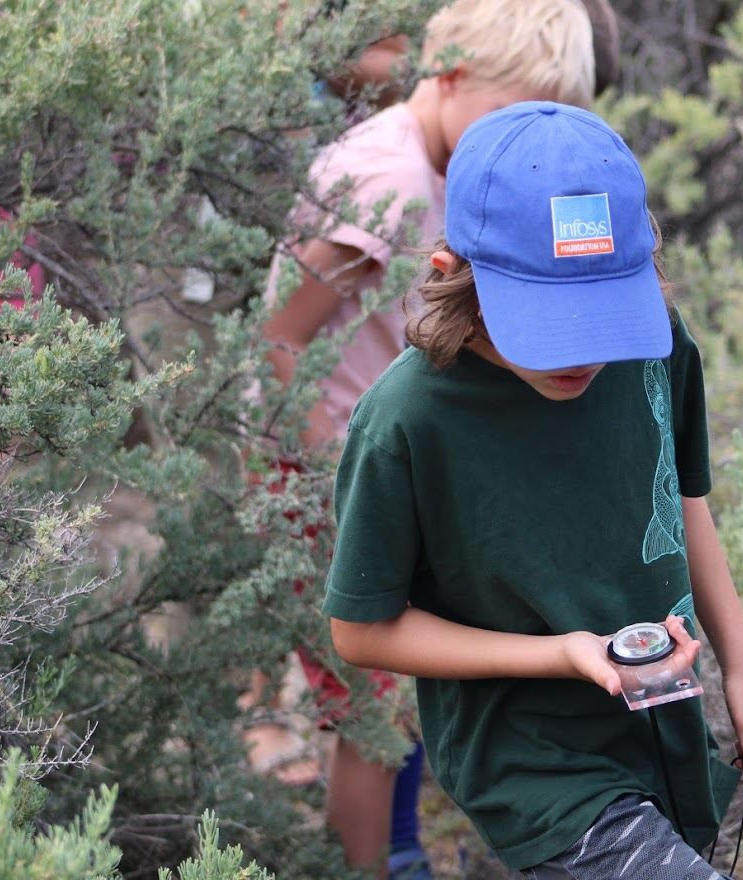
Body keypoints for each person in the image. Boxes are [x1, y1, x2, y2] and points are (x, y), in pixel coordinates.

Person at [322, 101, 743, 879]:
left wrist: (742, 666)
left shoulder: (652, 345)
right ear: (455, 277)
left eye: (601, 314)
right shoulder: (405, 422)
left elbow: (681, 502)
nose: (582, 353)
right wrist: (561, 654)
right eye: (548, 322)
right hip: (531, 761)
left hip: (665, 736)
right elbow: (361, 631)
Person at [254, 3, 598, 878]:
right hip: (321, 471)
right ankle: (368, 865)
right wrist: (327, 482)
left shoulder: (455, 165)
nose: (516, 149)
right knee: (371, 709)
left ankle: (402, 849)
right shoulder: (394, 180)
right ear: (445, 76)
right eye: (505, 118)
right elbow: (279, 340)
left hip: (388, 465)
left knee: (400, 692)